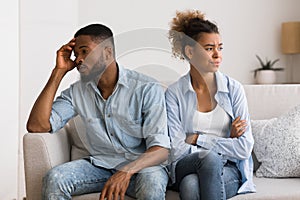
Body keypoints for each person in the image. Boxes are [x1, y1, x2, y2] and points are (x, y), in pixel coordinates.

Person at [26, 23, 170, 200]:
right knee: (55, 178)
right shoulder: (77, 92)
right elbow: (36, 126)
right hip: (100, 166)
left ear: (107, 53)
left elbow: (161, 149)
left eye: (84, 51)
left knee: (152, 181)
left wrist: (126, 171)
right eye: (76, 53)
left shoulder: (146, 88)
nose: (78, 59)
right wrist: (59, 71)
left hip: (141, 169)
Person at [165, 10, 256, 200]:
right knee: (209, 159)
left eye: (220, 48)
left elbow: (244, 147)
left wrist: (198, 138)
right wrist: (227, 140)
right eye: (209, 48)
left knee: (191, 187)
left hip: (228, 169)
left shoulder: (234, 89)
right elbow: (176, 149)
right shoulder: (174, 93)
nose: (217, 55)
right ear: (190, 52)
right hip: (186, 165)